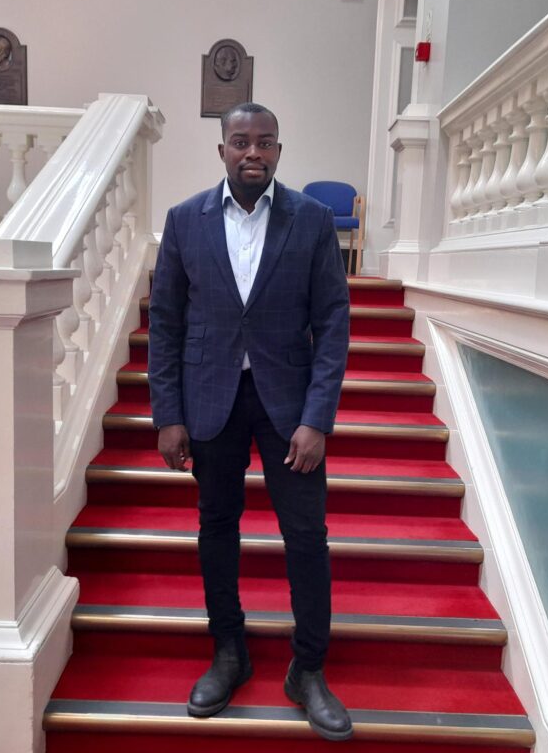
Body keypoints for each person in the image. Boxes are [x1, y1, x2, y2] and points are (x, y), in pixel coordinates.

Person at [148, 102, 352, 741]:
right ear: (222, 150)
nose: (253, 152)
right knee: (217, 526)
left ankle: (308, 669)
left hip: (289, 405)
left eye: (265, 142)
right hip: (210, 399)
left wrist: (318, 418)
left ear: (279, 151)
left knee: (306, 535)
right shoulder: (184, 220)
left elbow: (333, 324)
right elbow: (166, 323)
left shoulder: (312, 220)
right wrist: (167, 414)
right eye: (241, 142)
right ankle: (229, 652)